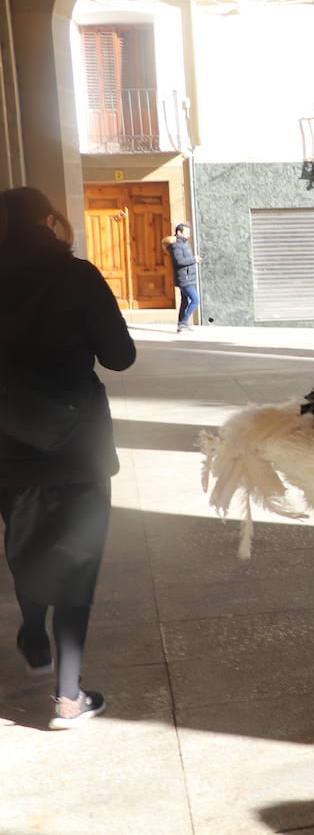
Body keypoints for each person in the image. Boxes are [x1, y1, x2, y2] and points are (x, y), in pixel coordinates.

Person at [0, 186, 136, 729]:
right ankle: (68, 698)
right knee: (77, 561)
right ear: (51, 221)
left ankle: (33, 634)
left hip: (7, 440)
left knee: (24, 541)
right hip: (76, 443)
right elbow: (120, 357)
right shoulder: (77, 275)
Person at [166, 222, 200, 333]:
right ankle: (183, 322)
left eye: (189, 233)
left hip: (187, 277)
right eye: (186, 232)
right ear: (179, 232)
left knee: (185, 300)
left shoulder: (183, 244)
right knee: (195, 300)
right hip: (184, 278)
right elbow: (179, 261)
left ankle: (181, 325)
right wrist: (194, 259)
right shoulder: (176, 245)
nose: (188, 235)